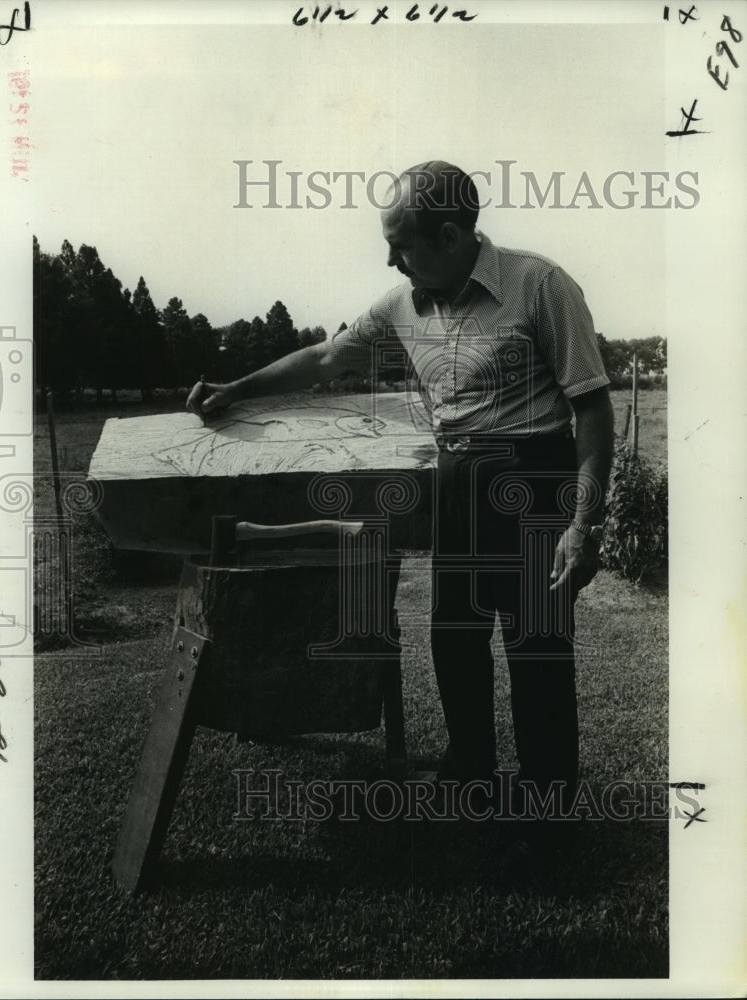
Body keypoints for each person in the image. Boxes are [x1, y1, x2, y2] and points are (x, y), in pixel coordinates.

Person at [187, 161, 613, 858]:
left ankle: (547, 810)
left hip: (536, 480)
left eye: (401, 244)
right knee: (454, 640)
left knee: (536, 648)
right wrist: (236, 388)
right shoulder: (401, 304)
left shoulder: (540, 284)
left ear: (449, 236)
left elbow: (591, 410)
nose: (390, 259)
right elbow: (326, 358)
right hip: (459, 481)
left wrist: (582, 524)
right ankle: (471, 777)